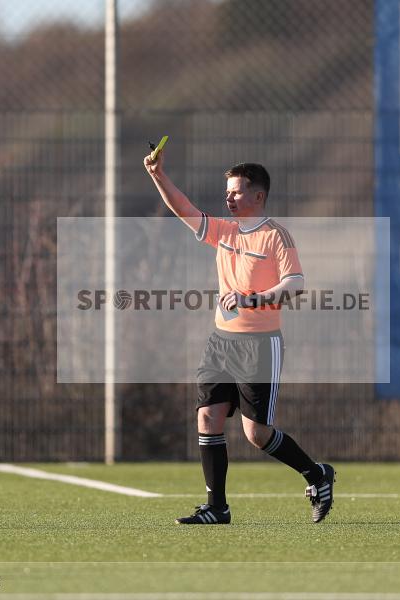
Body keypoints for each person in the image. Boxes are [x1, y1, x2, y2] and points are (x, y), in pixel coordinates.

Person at [143, 146, 335, 525]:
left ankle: (317, 474)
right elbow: (184, 210)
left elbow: (296, 282)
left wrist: (254, 298)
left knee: (257, 434)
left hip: (260, 346)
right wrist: (157, 175)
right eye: (227, 191)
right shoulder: (224, 231)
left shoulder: (276, 236)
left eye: (236, 191)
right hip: (221, 342)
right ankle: (217, 507)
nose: (228, 197)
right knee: (208, 419)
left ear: (258, 195)